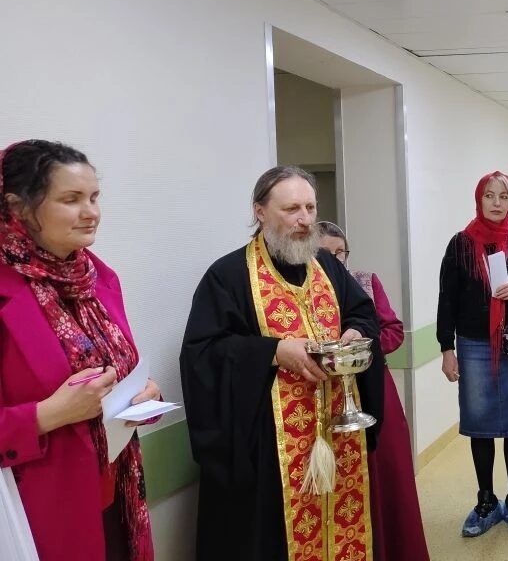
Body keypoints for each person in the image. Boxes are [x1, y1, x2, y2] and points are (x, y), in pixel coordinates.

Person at [180, 166, 384, 561]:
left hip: (337, 433)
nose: (305, 219)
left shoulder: (327, 266)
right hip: (269, 450)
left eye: (310, 207)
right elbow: (204, 353)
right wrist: (273, 352)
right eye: (292, 209)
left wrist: (355, 332)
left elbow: (362, 313)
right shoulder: (228, 275)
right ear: (260, 212)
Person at [0, 140, 161, 560]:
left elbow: (117, 372)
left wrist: (142, 395)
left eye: (93, 197)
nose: (91, 212)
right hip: (37, 511)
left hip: (117, 497)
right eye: (71, 199)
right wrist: (49, 414)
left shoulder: (96, 277)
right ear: (18, 208)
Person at [436, 171, 508, 539]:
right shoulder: (461, 244)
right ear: (479, 199)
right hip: (473, 345)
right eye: (489, 196)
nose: (497, 203)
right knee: (479, 423)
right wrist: (446, 348)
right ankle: (486, 501)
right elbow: (447, 299)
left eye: (504, 196)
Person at [317, 221, 429, 561]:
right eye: (326, 253)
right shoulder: (303, 294)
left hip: (374, 390)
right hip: (322, 396)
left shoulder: (365, 281)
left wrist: (361, 346)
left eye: (340, 252)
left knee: (386, 471)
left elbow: (393, 330)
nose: (335, 259)